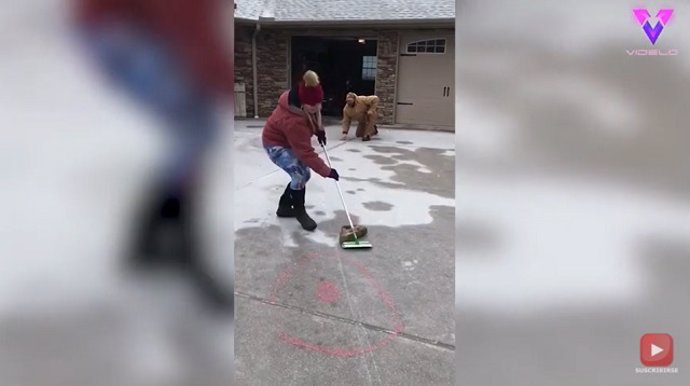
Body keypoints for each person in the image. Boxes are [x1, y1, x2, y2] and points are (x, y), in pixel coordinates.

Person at [71, 0, 234, 311]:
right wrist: (218, 80)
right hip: (116, 29)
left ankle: (150, 242)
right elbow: (186, 26)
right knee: (192, 132)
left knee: (195, 134)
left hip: (139, 25)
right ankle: (178, 249)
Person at [262, 70, 340, 231]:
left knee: (304, 174)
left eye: (319, 102)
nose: (318, 107)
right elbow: (305, 153)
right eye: (313, 105)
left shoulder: (305, 104)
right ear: (302, 104)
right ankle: (299, 211)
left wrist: (319, 130)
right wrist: (327, 171)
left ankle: (284, 207)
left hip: (289, 142)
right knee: (299, 174)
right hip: (275, 144)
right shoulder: (292, 121)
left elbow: (313, 116)